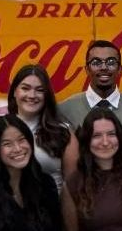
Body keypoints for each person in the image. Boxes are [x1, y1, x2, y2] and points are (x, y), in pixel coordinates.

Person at [58, 40, 122, 161]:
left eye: (111, 62)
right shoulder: (65, 110)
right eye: (96, 62)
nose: (104, 67)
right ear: (87, 69)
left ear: (120, 69)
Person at [8, 64, 78, 193]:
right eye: (25, 88)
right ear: (14, 91)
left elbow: (73, 187)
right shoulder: (0, 127)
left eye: (40, 90)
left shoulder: (63, 132)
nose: (32, 95)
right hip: (7, 210)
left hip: (50, 210)